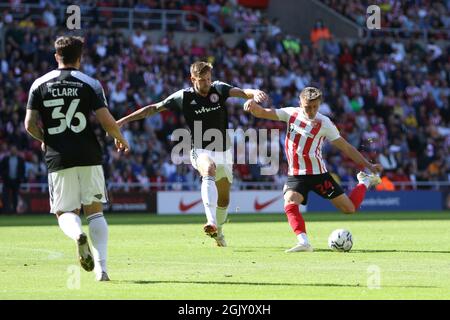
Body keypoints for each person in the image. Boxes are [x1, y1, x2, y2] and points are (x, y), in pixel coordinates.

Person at [116, 61, 267, 247]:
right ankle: (210, 221)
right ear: (193, 79)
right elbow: (154, 108)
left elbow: (242, 92)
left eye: (209, 79)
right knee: (208, 169)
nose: (207, 83)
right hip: (200, 150)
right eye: (203, 80)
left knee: (224, 199)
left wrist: (255, 93)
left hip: (224, 152)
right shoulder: (183, 96)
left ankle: (218, 232)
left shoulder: (218, 89)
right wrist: (122, 121)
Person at [24, 36, 130, 281]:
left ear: (56, 56)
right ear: (80, 58)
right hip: (89, 154)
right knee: (95, 212)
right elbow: (106, 121)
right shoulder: (89, 83)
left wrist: (45, 138)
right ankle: (102, 270)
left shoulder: (39, 84)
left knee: (64, 212)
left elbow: (29, 124)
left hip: (58, 156)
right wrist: (121, 138)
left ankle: (77, 236)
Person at [244, 87, 383, 252]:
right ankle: (303, 242)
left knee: (349, 209)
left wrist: (369, 165)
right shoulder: (290, 114)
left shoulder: (325, 123)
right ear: (300, 103)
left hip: (319, 175)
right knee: (290, 202)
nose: (311, 111)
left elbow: (346, 147)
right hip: (296, 175)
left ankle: (364, 181)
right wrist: (251, 105)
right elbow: (262, 112)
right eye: (307, 107)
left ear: (319, 105)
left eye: (315, 107)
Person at [0, 145, 25, 213]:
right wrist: (4, 177)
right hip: (7, 181)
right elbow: (1, 169)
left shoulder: (20, 159)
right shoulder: (5, 159)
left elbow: (22, 170)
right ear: (10, 150)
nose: (13, 151)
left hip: (16, 181)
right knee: (6, 196)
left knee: (15, 197)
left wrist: (21, 178)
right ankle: (6, 211)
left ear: (16, 151)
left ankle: (14, 211)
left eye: (14, 149)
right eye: (12, 149)